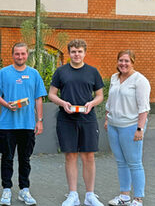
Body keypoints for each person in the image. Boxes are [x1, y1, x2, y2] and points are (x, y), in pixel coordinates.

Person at [48, 39, 104, 206]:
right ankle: (73, 194)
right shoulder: (61, 71)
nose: (76, 54)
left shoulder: (93, 72)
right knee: (70, 156)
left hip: (88, 119)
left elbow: (100, 95)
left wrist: (91, 104)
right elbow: (51, 94)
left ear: (84, 53)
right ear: (69, 53)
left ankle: (90, 195)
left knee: (89, 156)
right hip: (66, 120)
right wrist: (63, 103)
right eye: (73, 51)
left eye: (79, 51)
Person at [0, 42, 47, 206]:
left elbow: (39, 98)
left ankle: (24, 190)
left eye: (23, 54)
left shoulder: (34, 74)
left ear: (27, 55)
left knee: (25, 159)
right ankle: (6, 190)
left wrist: (39, 120)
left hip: (28, 125)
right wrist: (7, 104)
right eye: (17, 54)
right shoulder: (4, 73)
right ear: (13, 55)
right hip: (7, 125)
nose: (20, 56)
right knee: (7, 158)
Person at [105, 50, 150, 206]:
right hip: (113, 126)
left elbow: (144, 107)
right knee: (121, 162)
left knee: (134, 163)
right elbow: (110, 101)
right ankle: (124, 196)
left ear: (132, 62)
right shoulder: (114, 78)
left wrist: (140, 129)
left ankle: (138, 199)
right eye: (120, 60)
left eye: (127, 61)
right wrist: (107, 118)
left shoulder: (140, 80)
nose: (123, 64)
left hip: (131, 127)